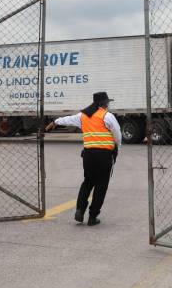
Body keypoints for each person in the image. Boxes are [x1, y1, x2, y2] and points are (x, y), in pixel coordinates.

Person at [46, 92, 122, 226]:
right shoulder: (107, 116)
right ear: (103, 104)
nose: (108, 105)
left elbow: (67, 119)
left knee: (87, 182)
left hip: (88, 155)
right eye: (107, 103)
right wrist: (117, 148)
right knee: (101, 185)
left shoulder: (82, 116)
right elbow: (117, 135)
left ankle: (80, 210)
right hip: (104, 156)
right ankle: (92, 217)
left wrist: (54, 121)